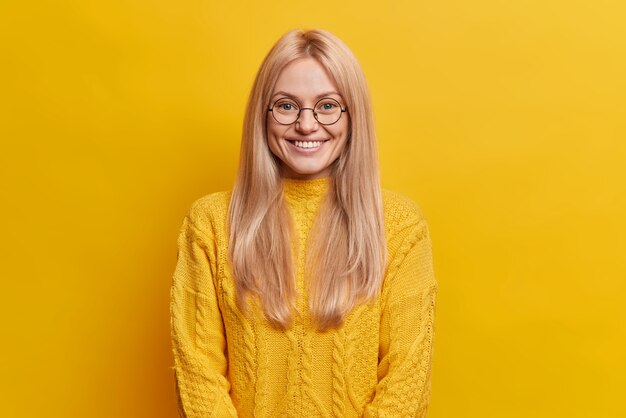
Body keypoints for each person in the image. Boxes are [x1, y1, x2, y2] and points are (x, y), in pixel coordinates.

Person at [170, 28, 438, 418]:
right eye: (286, 106)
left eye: (328, 105)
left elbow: (406, 378)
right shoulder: (210, 223)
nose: (307, 125)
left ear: (353, 116)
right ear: (262, 114)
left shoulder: (399, 225)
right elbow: (198, 371)